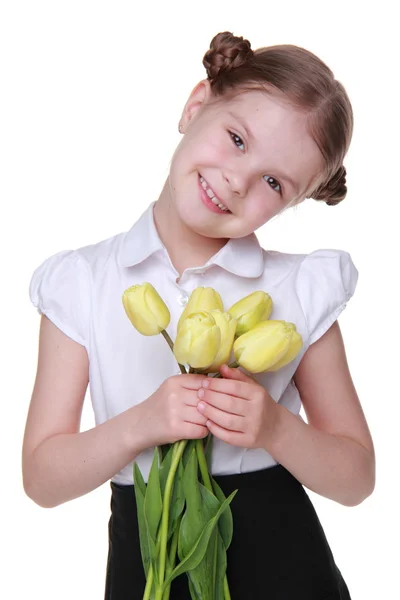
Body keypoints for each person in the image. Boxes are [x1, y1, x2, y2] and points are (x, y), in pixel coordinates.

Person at [22, 31, 375, 599]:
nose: (238, 179)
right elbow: (41, 478)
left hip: (285, 568)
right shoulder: (84, 282)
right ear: (195, 105)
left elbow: (357, 478)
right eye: (237, 139)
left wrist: (276, 428)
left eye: (272, 182)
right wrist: (141, 424)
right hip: (146, 562)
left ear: (291, 203)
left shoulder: (298, 291)